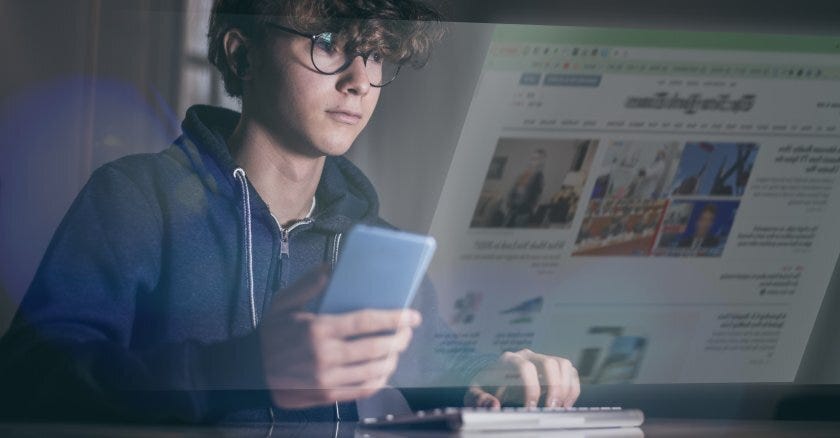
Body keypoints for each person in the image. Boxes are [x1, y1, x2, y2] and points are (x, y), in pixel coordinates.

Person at [0, 0, 579, 425]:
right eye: (328, 41)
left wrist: (503, 374)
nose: (359, 80)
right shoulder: (135, 199)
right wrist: (242, 368)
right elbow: (28, 380)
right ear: (241, 51)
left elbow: (439, 361)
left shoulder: (370, 242)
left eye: (376, 54)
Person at [505, 149, 546, 227]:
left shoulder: (539, 176)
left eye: (537, 159)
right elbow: (514, 188)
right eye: (532, 158)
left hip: (523, 212)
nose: (533, 161)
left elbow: (538, 195)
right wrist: (509, 201)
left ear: (541, 162)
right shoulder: (524, 173)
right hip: (512, 209)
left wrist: (531, 208)